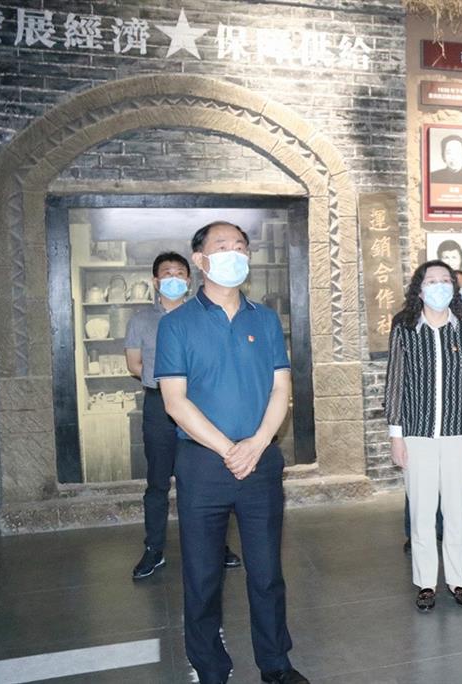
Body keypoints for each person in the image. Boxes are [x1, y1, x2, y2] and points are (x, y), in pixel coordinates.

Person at [154, 222, 307, 684]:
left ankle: (275, 664)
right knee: (202, 575)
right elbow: (175, 401)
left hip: (261, 460)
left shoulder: (265, 319)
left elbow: (281, 387)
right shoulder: (176, 324)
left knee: (266, 572)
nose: (234, 254)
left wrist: (257, 443)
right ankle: (210, 667)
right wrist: (228, 449)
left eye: (241, 247)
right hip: (203, 464)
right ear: (200, 259)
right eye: (222, 247)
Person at [126, 252, 241, 580]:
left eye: (180, 273)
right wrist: (169, 384)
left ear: (189, 280)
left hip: (201, 403)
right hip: (158, 406)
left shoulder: (203, 316)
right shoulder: (141, 320)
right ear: (156, 281)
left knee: (208, 477)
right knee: (158, 481)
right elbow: (134, 364)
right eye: (167, 273)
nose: (174, 278)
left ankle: (218, 546)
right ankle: (154, 549)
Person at [385, 260, 462, 611]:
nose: (440, 286)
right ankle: (426, 583)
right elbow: (395, 384)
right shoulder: (404, 329)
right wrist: (396, 435)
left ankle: (457, 580)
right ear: (419, 289)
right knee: (422, 512)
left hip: (461, 433)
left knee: (457, 512)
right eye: (432, 281)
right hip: (417, 434)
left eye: (446, 280)